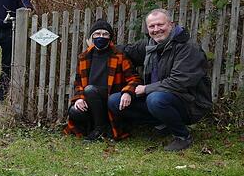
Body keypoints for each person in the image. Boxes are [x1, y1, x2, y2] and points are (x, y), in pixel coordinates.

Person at [108, 9, 212, 151]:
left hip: (189, 103)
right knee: (114, 101)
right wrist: (101, 45)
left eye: (160, 25)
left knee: (156, 99)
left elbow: (179, 81)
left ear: (171, 25)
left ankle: (182, 136)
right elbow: (127, 50)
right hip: (159, 97)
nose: (156, 29)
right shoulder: (150, 45)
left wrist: (146, 89)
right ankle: (164, 124)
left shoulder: (187, 47)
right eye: (152, 26)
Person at [64, 19, 140, 141]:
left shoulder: (119, 56)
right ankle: (93, 128)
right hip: (91, 101)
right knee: (74, 111)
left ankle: (100, 130)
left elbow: (135, 78)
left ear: (110, 38)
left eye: (105, 34)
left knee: (90, 90)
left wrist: (127, 92)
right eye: (97, 34)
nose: (101, 37)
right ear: (92, 37)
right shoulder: (84, 57)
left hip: (112, 100)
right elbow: (78, 83)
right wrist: (79, 99)